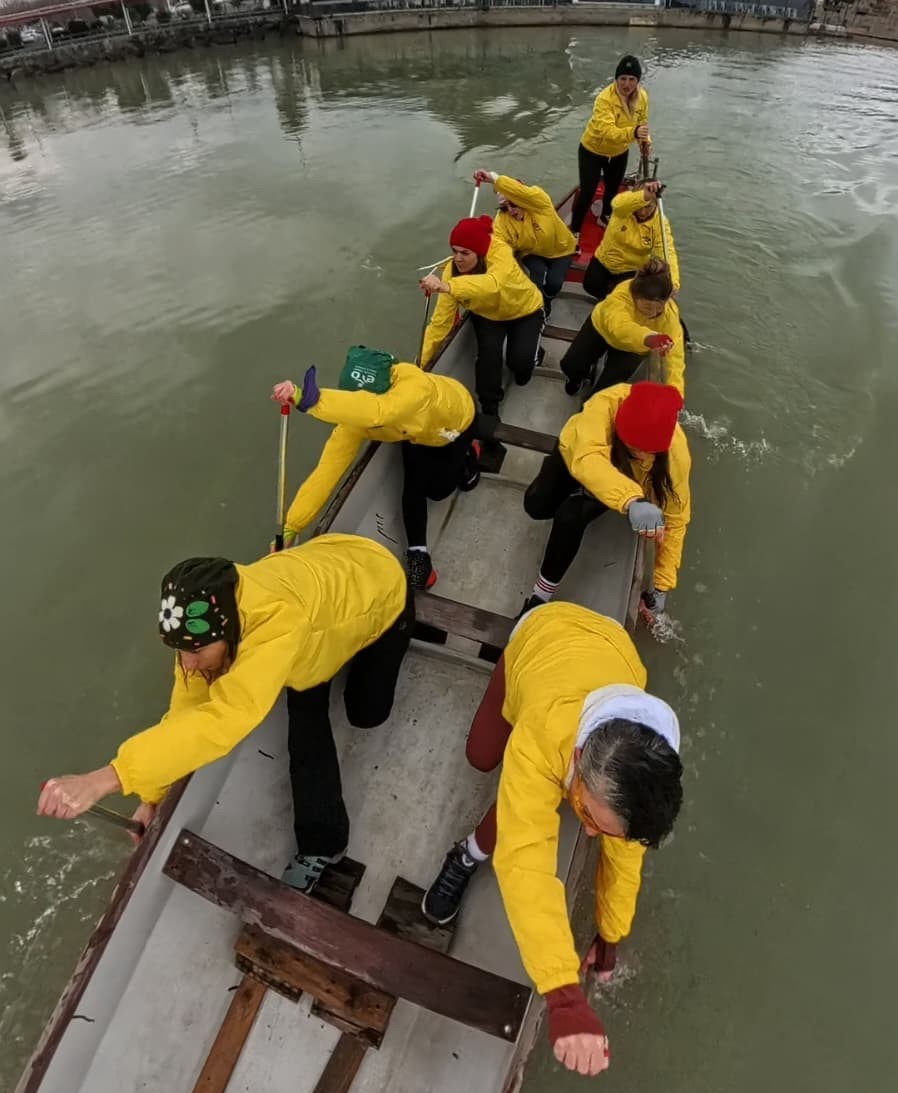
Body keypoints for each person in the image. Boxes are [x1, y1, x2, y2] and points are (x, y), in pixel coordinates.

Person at [36, 535, 413, 894]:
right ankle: (324, 845)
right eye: (180, 651)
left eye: (195, 652)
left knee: (366, 715)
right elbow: (188, 711)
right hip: (326, 579)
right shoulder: (204, 625)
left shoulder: (279, 623)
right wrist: (151, 796)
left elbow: (224, 721)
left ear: (229, 631)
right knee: (306, 726)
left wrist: (108, 778)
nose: (187, 664)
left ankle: (370, 640)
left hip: (383, 587)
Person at [421, 601, 683, 1078]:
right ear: (579, 756)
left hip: (610, 648)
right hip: (540, 639)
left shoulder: (640, 782)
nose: (588, 832)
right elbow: (525, 863)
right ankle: (466, 855)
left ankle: (486, 837)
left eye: (604, 828)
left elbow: (625, 863)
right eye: (589, 817)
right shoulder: (542, 734)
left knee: (529, 803)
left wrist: (610, 938)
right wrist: (564, 995)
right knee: (482, 756)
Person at [272, 346, 479, 592]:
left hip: (457, 424)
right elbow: (325, 473)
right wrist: (292, 526)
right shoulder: (354, 422)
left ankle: (470, 453)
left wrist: (306, 399)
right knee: (415, 487)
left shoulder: (414, 387)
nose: (358, 418)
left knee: (441, 490)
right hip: (413, 435)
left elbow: (379, 411)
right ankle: (419, 554)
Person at [520, 382, 690, 618]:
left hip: (619, 480)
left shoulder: (677, 456)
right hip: (577, 456)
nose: (641, 455)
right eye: (634, 447)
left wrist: (662, 586)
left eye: (648, 451)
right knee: (536, 506)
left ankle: (539, 597)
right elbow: (587, 457)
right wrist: (631, 500)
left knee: (569, 517)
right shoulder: (604, 404)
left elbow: (676, 519)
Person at [419, 214, 544, 420]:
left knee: (520, 364)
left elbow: (494, 284)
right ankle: (490, 409)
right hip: (487, 315)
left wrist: (449, 287)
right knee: (487, 359)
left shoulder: (500, 254)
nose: (458, 258)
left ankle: (534, 354)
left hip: (524, 310)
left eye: (465, 253)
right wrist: (421, 365)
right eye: (454, 251)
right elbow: (440, 323)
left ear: (479, 252)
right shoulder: (451, 273)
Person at [560, 258, 685, 398]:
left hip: (632, 349)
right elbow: (619, 327)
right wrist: (648, 338)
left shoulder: (670, 316)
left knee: (604, 393)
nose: (653, 312)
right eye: (647, 307)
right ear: (635, 295)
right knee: (570, 365)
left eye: (659, 308)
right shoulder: (621, 295)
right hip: (602, 330)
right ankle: (578, 377)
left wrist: (676, 393)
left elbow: (675, 359)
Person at [473, 168, 577, 317]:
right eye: (504, 207)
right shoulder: (501, 221)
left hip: (561, 250)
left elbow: (523, 193)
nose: (510, 210)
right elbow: (497, 246)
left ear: (522, 199)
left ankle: (548, 297)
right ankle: (539, 305)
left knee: (555, 283)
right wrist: (476, 261)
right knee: (537, 275)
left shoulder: (540, 202)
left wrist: (494, 178)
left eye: (513, 204)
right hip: (531, 252)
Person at [570, 55, 650, 241]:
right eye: (623, 79)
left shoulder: (642, 97)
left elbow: (643, 124)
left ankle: (605, 215)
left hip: (619, 152)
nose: (627, 84)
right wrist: (634, 133)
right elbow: (607, 131)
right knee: (588, 191)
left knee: (613, 187)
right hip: (593, 150)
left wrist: (645, 143)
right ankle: (574, 229)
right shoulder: (604, 99)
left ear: (637, 81)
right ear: (616, 79)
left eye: (632, 79)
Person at [583, 180, 680, 303]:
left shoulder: (660, 223)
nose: (643, 212)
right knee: (590, 285)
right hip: (605, 260)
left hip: (631, 269)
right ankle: (606, 298)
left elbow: (667, 253)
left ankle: (609, 302)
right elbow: (617, 203)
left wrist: (673, 282)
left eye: (648, 207)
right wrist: (643, 196)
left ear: (656, 205)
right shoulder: (622, 209)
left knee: (620, 299)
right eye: (640, 206)